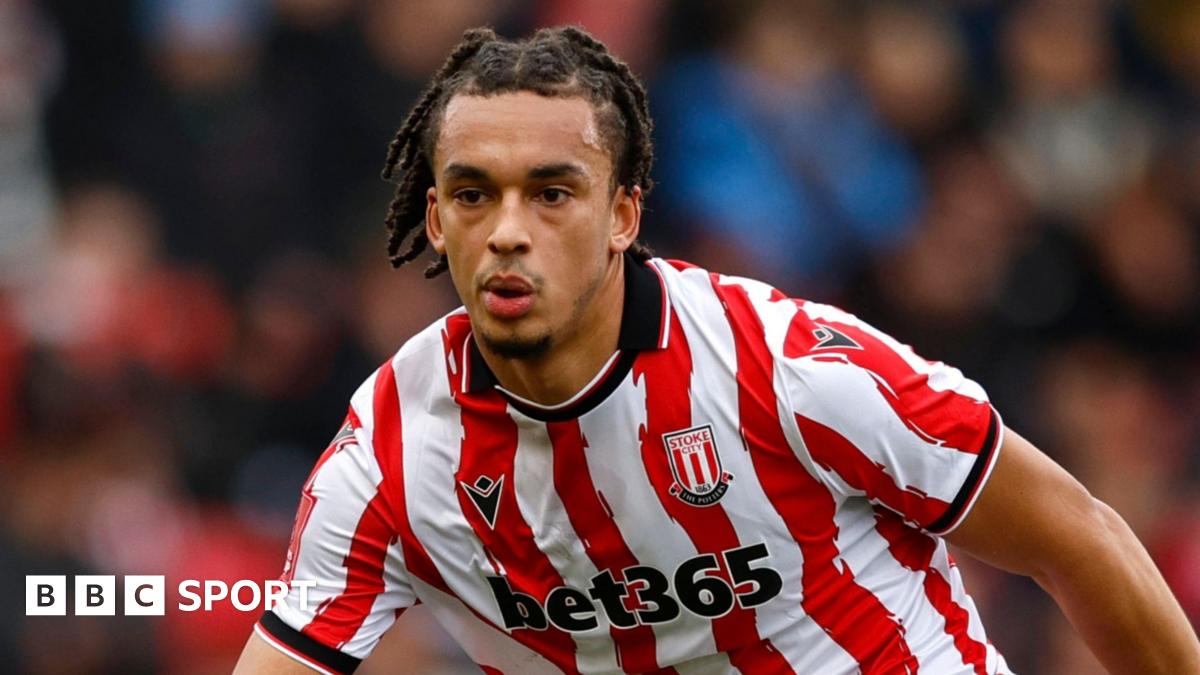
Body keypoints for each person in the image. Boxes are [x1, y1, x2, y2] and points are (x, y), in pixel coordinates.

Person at [234, 26, 1200, 674]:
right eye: (474, 194)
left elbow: (1079, 539)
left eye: (553, 192)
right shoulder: (390, 455)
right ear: (437, 221)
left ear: (624, 216)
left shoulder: (790, 371)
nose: (510, 231)